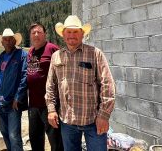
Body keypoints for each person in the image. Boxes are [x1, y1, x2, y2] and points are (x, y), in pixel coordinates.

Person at [46, 15, 115, 151]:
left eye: (76, 31)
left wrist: (104, 115)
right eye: (69, 32)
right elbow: (50, 85)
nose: (72, 35)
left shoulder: (95, 54)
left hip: (93, 120)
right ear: (63, 34)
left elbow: (107, 85)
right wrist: (51, 109)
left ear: (82, 33)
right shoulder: (56, 56)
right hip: (67, 121)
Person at [26, 23, 63, 151]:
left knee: (55, 140)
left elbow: (62, 73)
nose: (36, 35)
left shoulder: (52, 49)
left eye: (39, 32)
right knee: (35, 138)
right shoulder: (30, 51)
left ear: (45, 34)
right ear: (30, 36)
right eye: (33, 33)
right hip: (33, 104)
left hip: (50, 105)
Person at [0, 28, 28, 151]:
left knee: (14, 135)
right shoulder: (0, 57)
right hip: (1, 102)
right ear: (2, 42)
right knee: (4, 132)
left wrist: (18, 97)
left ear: (14, 41)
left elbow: (24, 76)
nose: (7, 42)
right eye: (5, 39)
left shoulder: (21, 55)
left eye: (10, 39)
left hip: (13, 101)